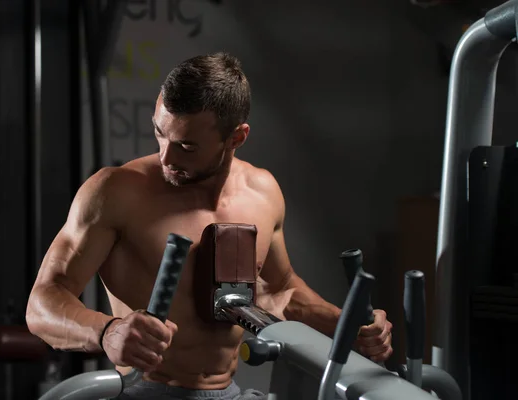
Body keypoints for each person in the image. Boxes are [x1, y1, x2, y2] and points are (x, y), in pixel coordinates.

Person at [26, 52, 393, 400]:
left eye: (186, 146)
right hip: (144, 391)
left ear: (236, 137)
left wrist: (347, 327)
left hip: (228, 391)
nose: (166, 157)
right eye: (159, 133)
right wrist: (105, 331)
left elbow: (279, 291)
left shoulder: (262, 193)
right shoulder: (116, 191)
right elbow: (43, 302)